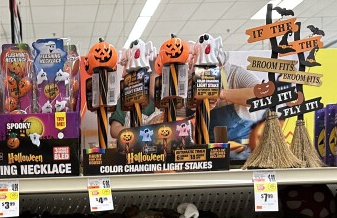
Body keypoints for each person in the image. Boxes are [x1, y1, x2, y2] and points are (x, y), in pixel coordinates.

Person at [108, 57, 265, 159]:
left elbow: (261, 95)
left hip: (236, 153)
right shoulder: (183, 92)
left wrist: (221, 93)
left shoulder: (235, 75)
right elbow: (180, 125)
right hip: (197, 154)